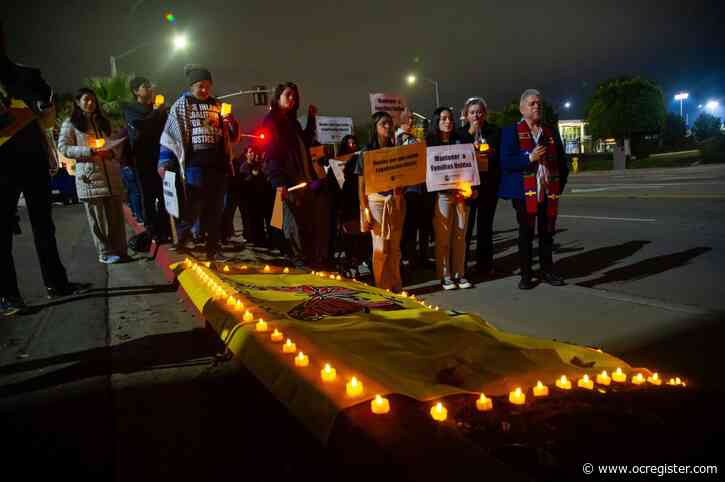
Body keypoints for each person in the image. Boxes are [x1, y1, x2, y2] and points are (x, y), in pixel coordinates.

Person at [1, 22, 88, 315]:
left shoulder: (27, 74)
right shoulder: (25, 74)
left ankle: (56, 284)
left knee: (43, 226)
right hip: (6, 163)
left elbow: (48, 120)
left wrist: (40, 110)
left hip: (31, 159)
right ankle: (9, 297)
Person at [158, 64, 241, 262]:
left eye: (207, 85)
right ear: (191, 86)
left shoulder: (218, 105)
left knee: (216, 208)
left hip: (218, 165)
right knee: (194, 205)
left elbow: (232, 136)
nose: (203, 90)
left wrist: (231, 123)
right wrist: (164, 159)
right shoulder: (182, 104)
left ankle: (214, 247)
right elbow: (171, 134)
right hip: (195, 164)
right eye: (199, 86)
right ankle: (182, 238)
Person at [499, 89, 568, 290]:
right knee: (526, 233)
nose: (537, 106)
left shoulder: (550, 131)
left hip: (548, 190)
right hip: (524, 192)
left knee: (547, 233)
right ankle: (526, 274)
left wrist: (558, 186)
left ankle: (547, 271)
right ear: (522, 109)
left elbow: (562, 163)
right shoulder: (511, 131)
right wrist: (529, 158)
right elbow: (506, 162)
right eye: (532, 104)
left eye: (539, 103)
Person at [262, 82, 330, 268]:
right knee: (295, 231)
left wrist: (311, 118)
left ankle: (310, 267)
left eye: (295, 96)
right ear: (277, 97)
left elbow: (306, 141)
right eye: (288, 95)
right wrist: (279, 183)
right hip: (289, 186)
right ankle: (302, 272)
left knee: (308, 228)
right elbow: (271, 155)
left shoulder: (292, 123)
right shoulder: (272, 122)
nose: (292, 99)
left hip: (304, 185)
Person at [58, 88, 128, 264]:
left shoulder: (104, 121)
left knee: (116, 219)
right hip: (89, 177)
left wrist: (113, 152)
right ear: (77, 102)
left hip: (110, 175)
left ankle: (121, 250)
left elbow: (114, 142)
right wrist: (90, 151)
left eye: (93, 100)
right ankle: (104, 252)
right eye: (86, 100)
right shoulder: (71, 123)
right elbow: (64, 148)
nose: (91, 103)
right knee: (98, 220)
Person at [355, 111, 406, 292]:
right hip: (376, 203)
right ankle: (382, 287)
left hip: (396, 201)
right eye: (383, 123)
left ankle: (396, 286)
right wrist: (364, 209)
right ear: (375, 128)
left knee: (394, 248)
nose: (388, 127)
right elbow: (361, 185)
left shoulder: (396, 150)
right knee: (381, 248)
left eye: (390, 123)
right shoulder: (366, 153)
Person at [427, 107, 474, 290]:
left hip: (461, 195)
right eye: (444, 118)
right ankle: (445, 275)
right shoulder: (430, 144)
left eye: (450, 118)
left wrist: (472, 187)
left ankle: (460, 274)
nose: (448, 121)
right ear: (437, 122)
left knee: (460, 237)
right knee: (443, 238)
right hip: (442, 196)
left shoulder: (461, 140)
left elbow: (470, 165)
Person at [122, 76, 169, 242]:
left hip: (161, 156)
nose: (150, 88)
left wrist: (160, 111)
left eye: (150, 85)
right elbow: (141, 126)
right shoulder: (130, 109)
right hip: (143, 158)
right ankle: (152, 230)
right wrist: (156, 112)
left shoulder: (158, 108)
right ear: (136, 91)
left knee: (164, 195)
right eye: (145, 86)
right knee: (147, 196)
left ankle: (166, 229)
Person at [458, 97, 501, 276]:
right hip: (467, 187)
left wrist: (485, 149)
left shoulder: (494, 131)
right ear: (466, 115)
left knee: (485, 227)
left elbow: (495, 152)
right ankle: (461, 264)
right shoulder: (460, 133)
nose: (476, 115)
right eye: (472, 112)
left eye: (479, 112)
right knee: (465, 228)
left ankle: (484, 265)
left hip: (487, 186)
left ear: (485, 114)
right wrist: (470, 133)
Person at [398, 109, 433, 271]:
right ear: (400, 121)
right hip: (408, 190)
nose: (411, 121)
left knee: (424, 224)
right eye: (408, 118)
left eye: (412, 118)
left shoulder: (417, 138)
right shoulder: (396, 139)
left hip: (423, 187)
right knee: (410, 227)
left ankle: (424, 256)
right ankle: (410, 257)